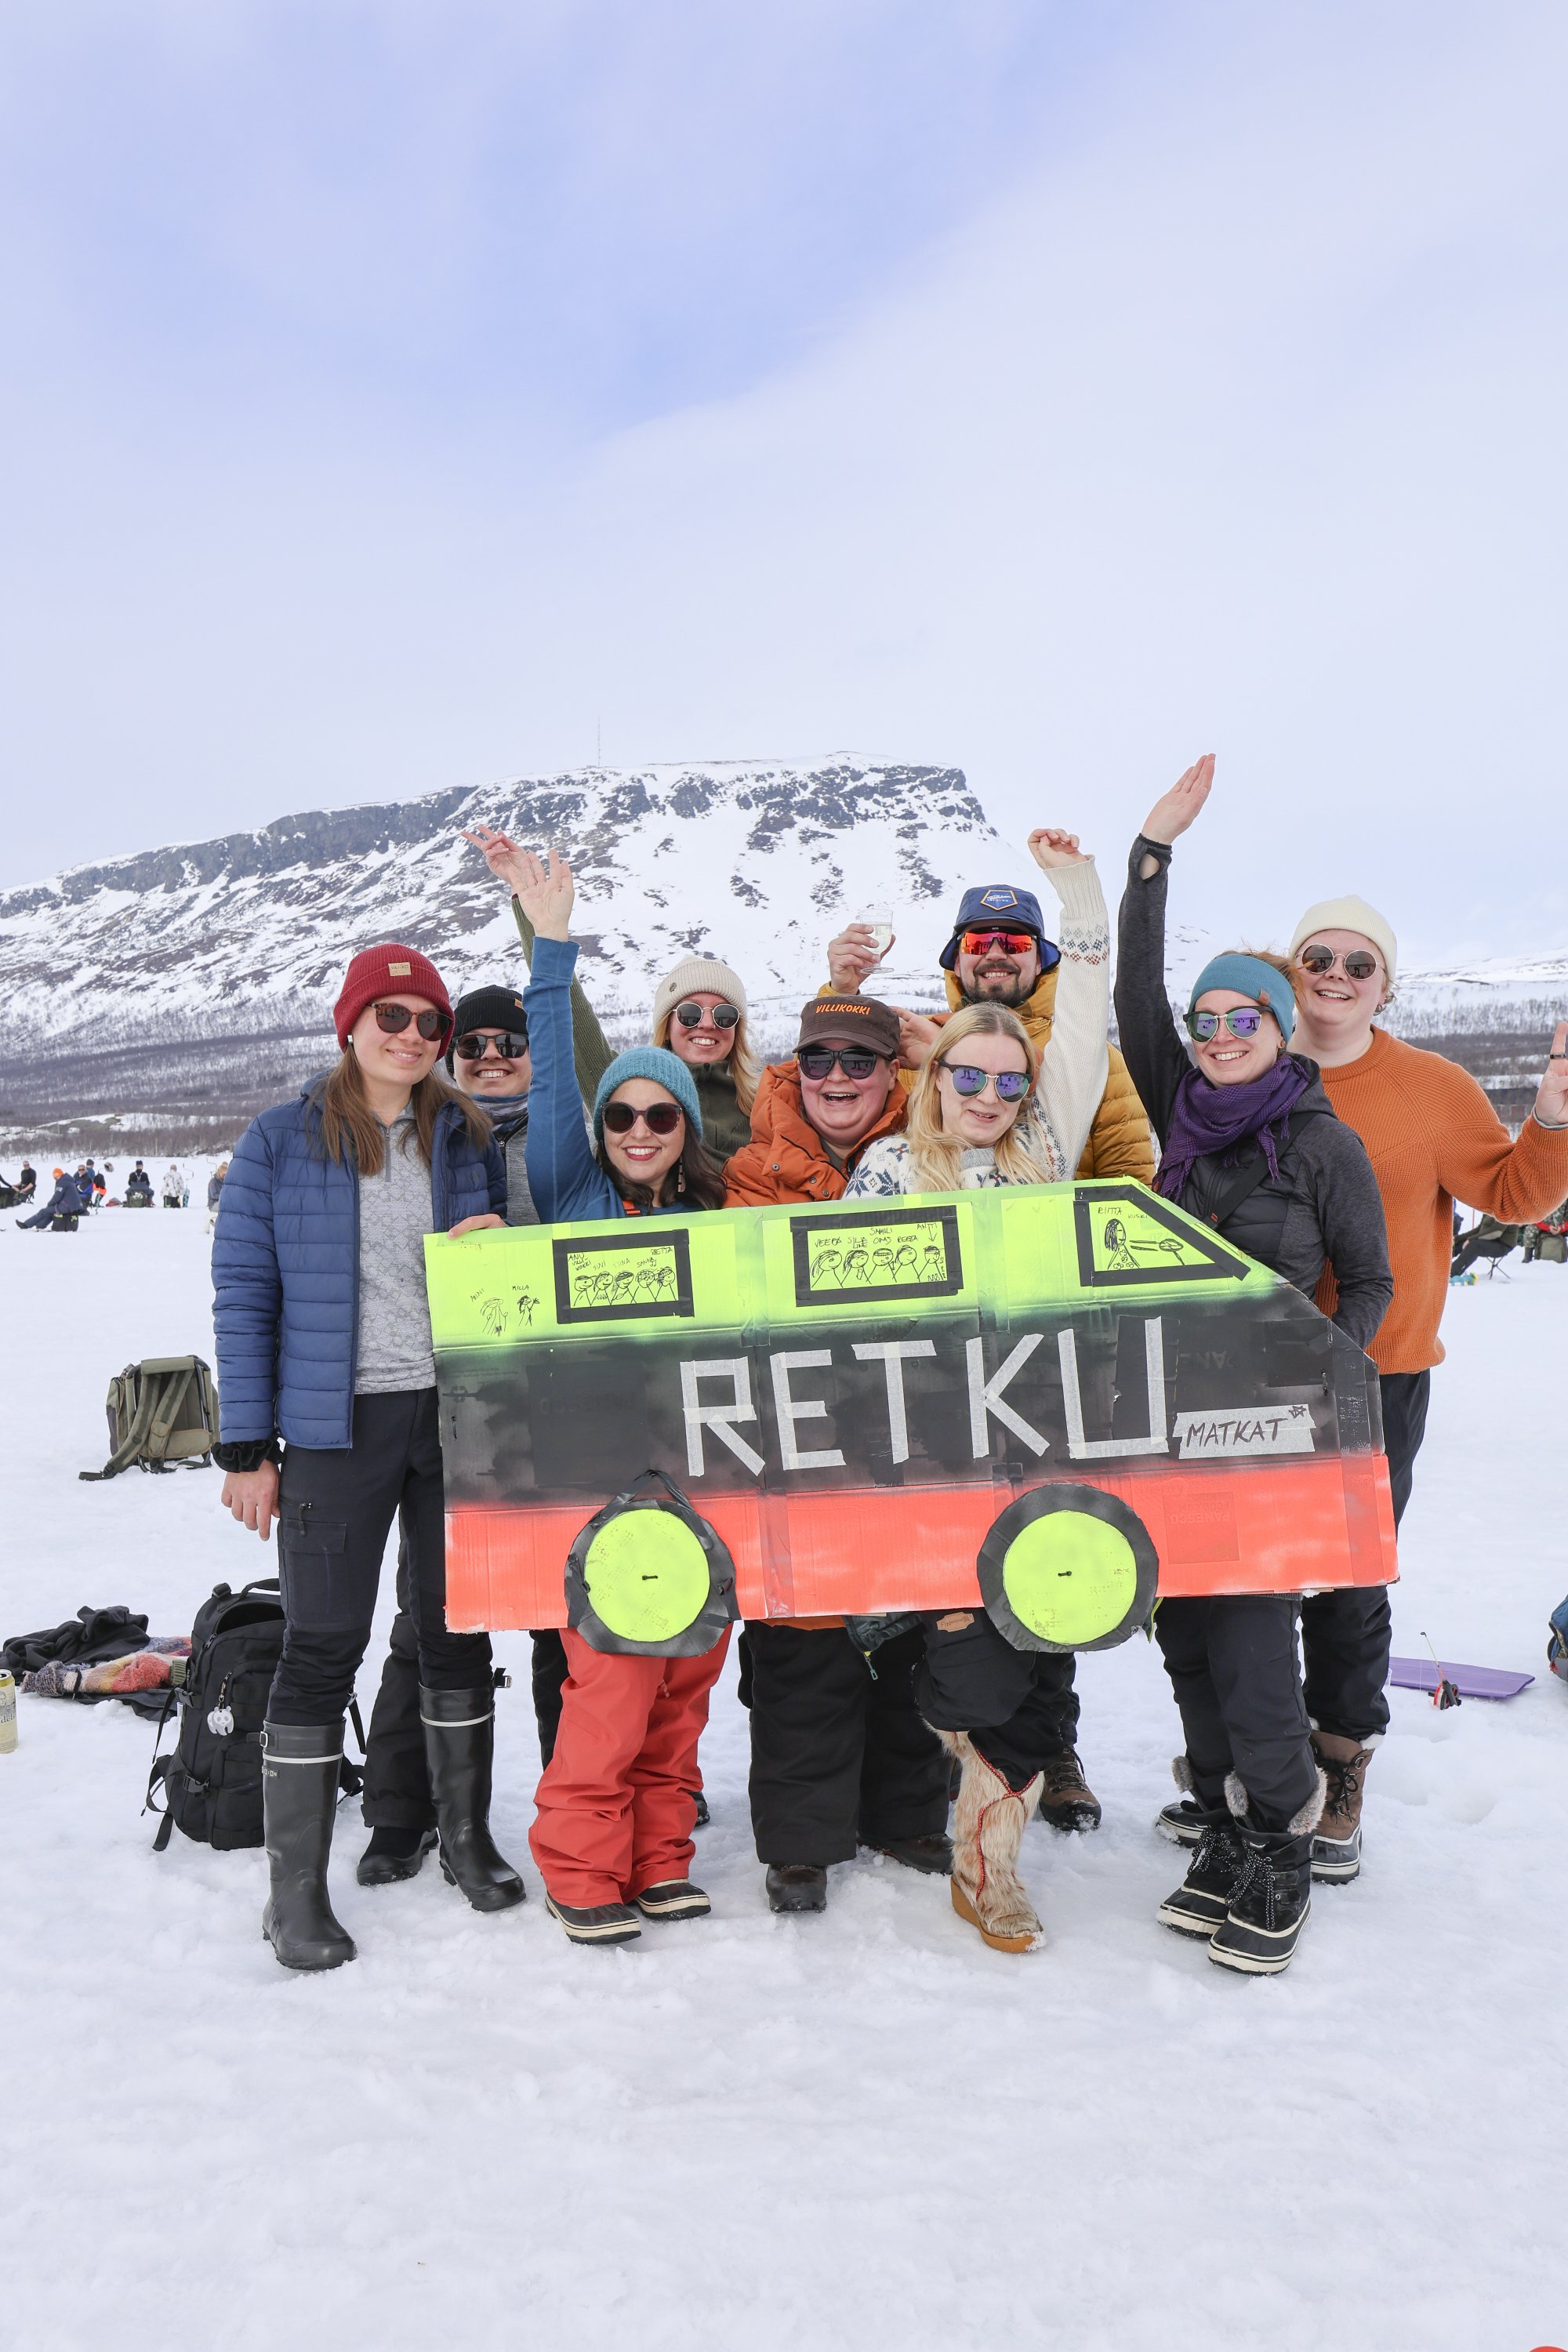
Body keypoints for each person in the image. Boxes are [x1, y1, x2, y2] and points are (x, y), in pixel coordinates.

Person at [1116, 758, 1392, 1975]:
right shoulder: (1180, 1111)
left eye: (1247, 1019)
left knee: (1247, 1641)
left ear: (1283, 1033)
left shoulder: (1321, 1144)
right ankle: (1227, 1831)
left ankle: (1281, 1847)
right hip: (1166, 1421)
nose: (1222, 1036)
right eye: (1209, 1021)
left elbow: (1369, 1282)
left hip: (1271, 1431)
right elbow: (1132, 988)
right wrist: (1150, 854)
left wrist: (1327, 1376)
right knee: (1185, 1639)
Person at [824, 854, 1152, 1835]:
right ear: (937, 1074)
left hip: (1026, 1436)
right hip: (925, 1454)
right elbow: (838, 1323)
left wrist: (1088, 906)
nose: (986, 1092)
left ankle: (995, 1845)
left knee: (1036, 1629)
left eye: (1007, 1080)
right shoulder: (886, 1171)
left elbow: (1083, 1036)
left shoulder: (1040, 1154)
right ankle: (953, 1787)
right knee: (964, 1659)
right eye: (965, 1072)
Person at [212, 942, 521, 1972]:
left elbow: (501, 1270)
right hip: (338, 1430)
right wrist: (249, 1447)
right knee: (323, 1641)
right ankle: (293, 1891)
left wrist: (495, 1252)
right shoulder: (280, 1142)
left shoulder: (461, 1134)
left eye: (427, 1023)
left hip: (450, 1420)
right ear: (350, 1025)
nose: (411, 1037)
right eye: (390, 1017)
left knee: (452, 1632)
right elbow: (247, 1299)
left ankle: (466, 1838)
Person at [1268, 896, 1568, 1879]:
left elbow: (1516, 1195)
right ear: (1291, 966)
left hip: (1377, 1372)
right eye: (1318, 957)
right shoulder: (1245, 1068)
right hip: (1245, 1371)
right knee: (1248, 1581)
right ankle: (1259, 1761)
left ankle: (1341, 1761)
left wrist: (1554, 1110)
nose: (1337, 975)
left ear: (1384, 986)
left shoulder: (1431, 1087)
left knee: (1350, 1581)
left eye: (1360, 965)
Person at [514, 845, 731, 1947]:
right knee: (608, 1686)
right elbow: (555, 1072)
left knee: (684, 1683)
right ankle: (582, 1864)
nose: (639, 1132)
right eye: (623, 1118)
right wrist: (550, 946)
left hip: (704, 1476)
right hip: (598, 1485)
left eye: (661, 1117)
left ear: (688, 1127)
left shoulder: (720, 1225)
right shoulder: (569, 1190)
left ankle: (659, 1858)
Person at [353, 976, 595, 1891]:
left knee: (557, 1620)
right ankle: (399, 1812)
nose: (491, 1061)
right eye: (474, 1051)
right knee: (429, 1616)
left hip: (561, 1405)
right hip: (451, 1410)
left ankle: (574, 1795)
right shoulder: (434, 1136)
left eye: (509, 1047)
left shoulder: (573, 1137)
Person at [724, 992, 952, 1916]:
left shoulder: (934, 1150)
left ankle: (906, 1816)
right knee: (801, 1636)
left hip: (919, 1421)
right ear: (796, 1071)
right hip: (799, 1426)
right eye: (817, 1061)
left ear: (890, 1074)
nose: (837, 1079)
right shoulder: (752, 1166)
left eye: (859, 1061)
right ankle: (801, 1844)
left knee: (912, 1623)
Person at [464, 821, 760, 1163]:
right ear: (667, 1023)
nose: (706, 1025)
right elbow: (572, 1016)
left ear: (737, 1029)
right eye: (690, 1014)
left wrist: (839, 988)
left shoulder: (768, 1100)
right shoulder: (627, 1092)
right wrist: (537, 918)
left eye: (725, 1016)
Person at [16, 1168, 83, 1232]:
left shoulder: (62, 1182)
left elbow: (57, 1197)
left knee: (44, 1211)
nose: (55, 1178)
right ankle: (40, 1225)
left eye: (57, 1175)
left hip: (67, 1207)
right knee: (51, 1212)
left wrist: (49, 1204)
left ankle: (26, 1225)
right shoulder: (69, 1181)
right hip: (72, 1207)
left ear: (61, 1174)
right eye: (54, 1176)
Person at [204, 1160, 228, 1236]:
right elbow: (214, 1195)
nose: (225, 1176)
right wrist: (225, 1197)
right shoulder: (213, 1182)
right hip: (213, 1204)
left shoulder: (225, 1181)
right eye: (223, 1175)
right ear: (219, 1172)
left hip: (223, 1202)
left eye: (226, 1175)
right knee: (226, 1207)